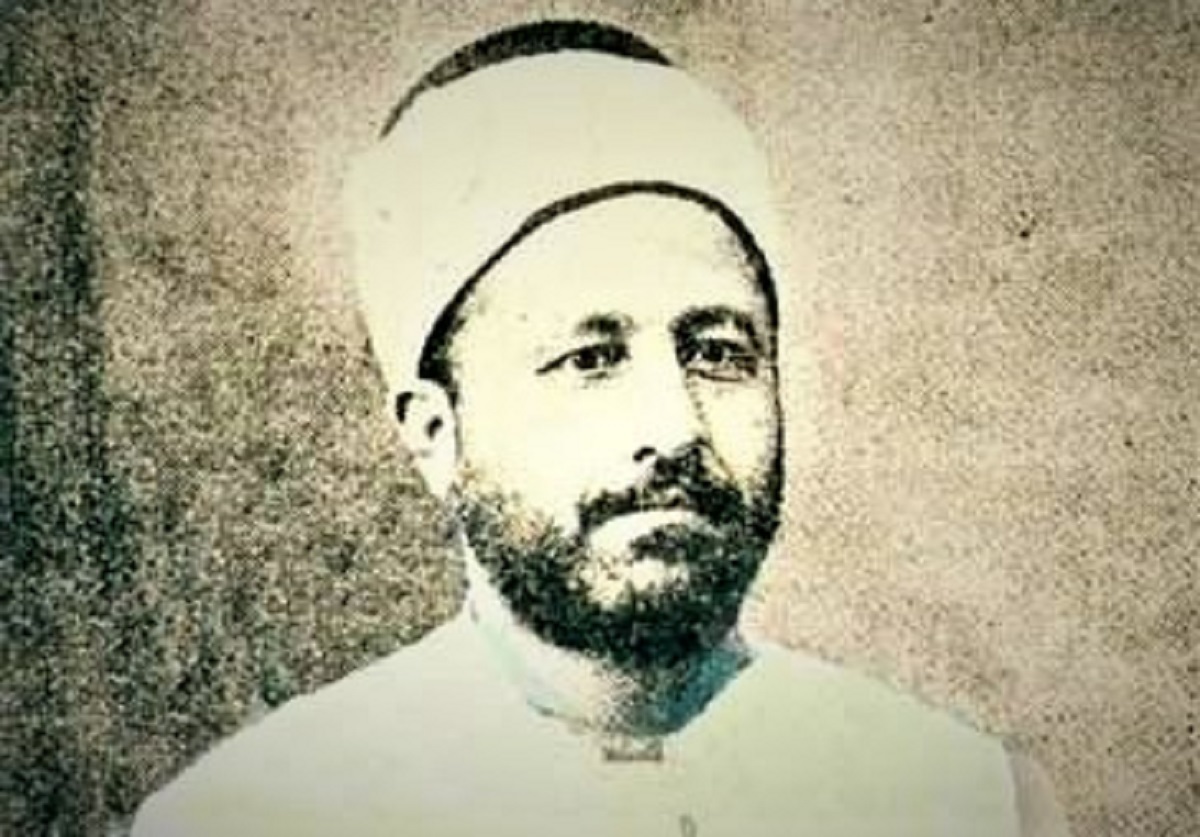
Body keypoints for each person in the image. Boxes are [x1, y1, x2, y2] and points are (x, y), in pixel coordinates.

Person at [133, 20, 1070, 837]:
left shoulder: (965, 801)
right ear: (435, 433)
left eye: (718, 352)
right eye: (590, 358)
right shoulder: (255, 813)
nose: (674, 424)